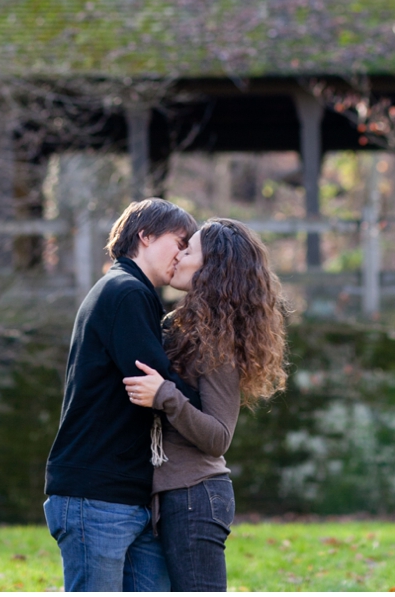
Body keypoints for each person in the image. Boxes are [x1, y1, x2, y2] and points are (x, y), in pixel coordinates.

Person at [44, 197, 200, 593]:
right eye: (180, 242)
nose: (183, 255)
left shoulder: (132, 292)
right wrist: (201, 409)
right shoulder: (125, 291)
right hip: (95, 496)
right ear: (145, 236)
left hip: (125, 496)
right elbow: (152, 379)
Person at [123, 218, 288, 592]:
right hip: (173, 497)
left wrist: (165, 395)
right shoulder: (183, 326)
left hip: (196, 498)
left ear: (210, 269)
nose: (179, 256)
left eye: (189, 250)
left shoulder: (217, 342)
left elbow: (219, 436)